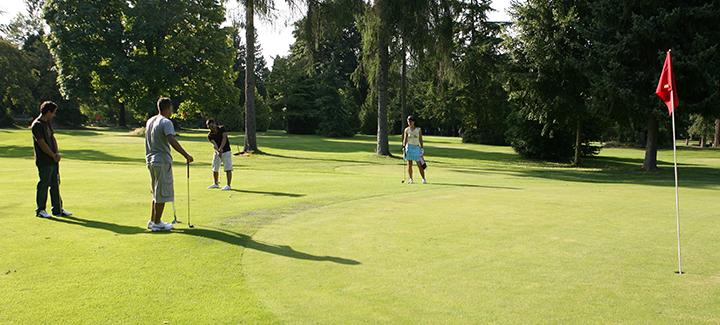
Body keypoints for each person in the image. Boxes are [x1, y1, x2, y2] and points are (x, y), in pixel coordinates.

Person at [145, 97, 194, 232]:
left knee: (156, 191)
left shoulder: (150, 121)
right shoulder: (166, 122)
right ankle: (157, 223)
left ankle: (153, 220)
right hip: (161, 160)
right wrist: (186, 155)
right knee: (162, 191)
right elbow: (171, 140)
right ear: (169, 108)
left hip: (150, 160)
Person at [32, 101, 72, 218]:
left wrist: (57, 153)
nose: (54, 115)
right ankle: (40, 210)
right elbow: (42, 143)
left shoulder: (47, 123)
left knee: (55, 184)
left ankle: (58, 209)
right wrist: (52, 155)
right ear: (48, 112)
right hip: (44, 160)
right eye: (53, 112)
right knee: (44, 184)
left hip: (53, 159)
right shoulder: (37, 125)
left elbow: (52, 138)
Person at [205, 118, 233, 190]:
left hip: (226, 150)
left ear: (215, 123)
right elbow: (214, 144)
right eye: (209, 127)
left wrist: (221, 148)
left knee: (228, 167)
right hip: (217, 152)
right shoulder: (209, 135)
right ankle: (216, 183)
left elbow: (224, 138)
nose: (211, 128)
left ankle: (228, 185)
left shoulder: (222, 128)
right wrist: (218, 151)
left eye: (212, 126)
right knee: (215, 167)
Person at [403, 115, 426, 184]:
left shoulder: (418, 129)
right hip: (409, 147)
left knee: (419, 164)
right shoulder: (407, 130)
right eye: (408, 122)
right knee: (409, 164)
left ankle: (423, 178)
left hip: (416, 147)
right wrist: (404, 147)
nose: (409, 123)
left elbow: (420, 139)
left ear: (414, 122)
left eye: (411, 122)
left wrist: (422, 148)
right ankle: (411, 179)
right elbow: (405, 139)